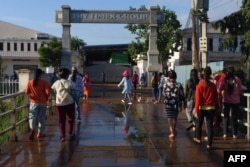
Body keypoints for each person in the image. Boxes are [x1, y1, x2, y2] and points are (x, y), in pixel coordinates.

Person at [193, 66, 219, 150]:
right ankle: (209, 145)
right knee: (210, 126)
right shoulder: (213, 86)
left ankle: (198, 139)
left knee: (199, 125)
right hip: (211, 108)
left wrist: (196, 110)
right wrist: (217, 108)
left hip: (201, 108)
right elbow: (216, 98)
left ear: (202, 75)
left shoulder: (199, 86)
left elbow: (198, 100)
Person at [25, 68, 51, 140]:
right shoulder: (44, 82)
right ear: (41, 75)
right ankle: (40, 133)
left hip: (33, 102)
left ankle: (32, 129)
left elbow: (26, 92)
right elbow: (48, 93)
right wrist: (45, 97)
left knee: (32, 116)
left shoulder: (30, 82)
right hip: (42, 102)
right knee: (41, 118)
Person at [51, 68, 76, 142]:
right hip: (70, 103)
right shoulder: (70, 82)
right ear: (67, 75)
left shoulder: (56, 83)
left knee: (61, 120)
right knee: (71, 118)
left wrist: (56, 96)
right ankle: (70, 133)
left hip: (59, 104)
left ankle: (62, 136)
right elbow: (73, 92)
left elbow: (52, 90)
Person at [219, 66, 242, 139]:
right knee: (234, 117)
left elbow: (220, 88)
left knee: (226, 117)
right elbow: (240, 90)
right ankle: (234, 134)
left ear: (227, 73)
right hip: (235, 101)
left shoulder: (224, 80)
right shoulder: (237, 80)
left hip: (226, 101)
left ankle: (225, 133)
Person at [163, 70, 185, 138]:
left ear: (168, 77)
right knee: (175, 118)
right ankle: (174, 130)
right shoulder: (178, 85)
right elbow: (182, 94)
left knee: (169, 118)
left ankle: (172, 132)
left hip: (168, 104)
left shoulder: (165, 85)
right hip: (176, 104)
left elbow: (163, 94)